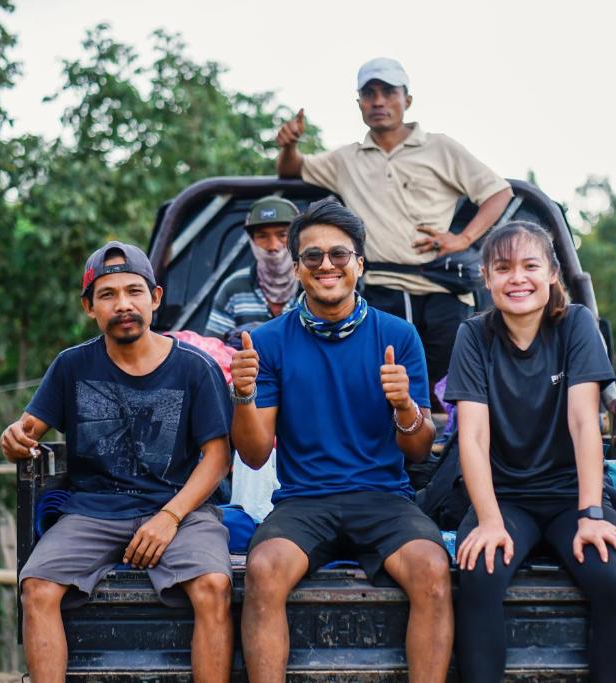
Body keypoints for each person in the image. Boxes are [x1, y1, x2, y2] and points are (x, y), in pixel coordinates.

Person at [229, 198, 453, 683]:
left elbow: (418, 450)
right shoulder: (267, 341)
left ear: (360, 264)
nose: (326, 265)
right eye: (312, 256)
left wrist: (406, 409)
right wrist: (243, 396)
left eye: (339, 254)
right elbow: (252, 453)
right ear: (297, 268)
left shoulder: (398, 335)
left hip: (383, 499)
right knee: (263, 570)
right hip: (304, 502)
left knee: (433, 570)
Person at [0, 241, 234, 683]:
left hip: (181, 510)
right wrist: (13, 440)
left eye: (133, 291)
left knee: (214, 586)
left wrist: (169, 516)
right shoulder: (72, 365)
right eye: (107, 295)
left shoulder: (194, 368)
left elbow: (218, 457)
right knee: (36, 589)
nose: (123, 304)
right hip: (93, 511)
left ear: (155, 298)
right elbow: (26, 431)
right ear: (90, 307)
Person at [445, 221, 616, 683]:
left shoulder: (575, 324)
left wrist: (593, 512)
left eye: (530, 266)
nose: (517, 278)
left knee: (613, 576)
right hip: (504, 498)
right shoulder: (473, 336)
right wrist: (489, 520)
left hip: (571, 495)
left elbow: (583, 422)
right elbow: (472, 437)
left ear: (552, 273)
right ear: (487, 279)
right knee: (480, 572)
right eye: (503, 268)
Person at [275, 57, 514, 394]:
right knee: (381, 391)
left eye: (388, 92)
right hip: (380, 291)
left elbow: (498, 191)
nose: (378, 101)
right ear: (359, 103)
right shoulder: (346, 159)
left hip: (442, 291)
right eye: (369, 93)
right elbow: (291, 171)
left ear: (408, 100)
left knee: (448, 395)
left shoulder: (440, 147)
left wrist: (464, 238)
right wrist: (288, 145)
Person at [205, 195, 301, 339]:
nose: (273, 246)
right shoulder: (234, 288)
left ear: (297, 238)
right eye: (262, 236)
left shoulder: (314, 283)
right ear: (252, 241)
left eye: (282, 235)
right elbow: (213, 349)